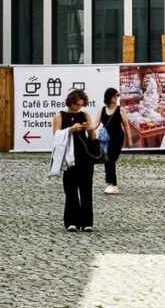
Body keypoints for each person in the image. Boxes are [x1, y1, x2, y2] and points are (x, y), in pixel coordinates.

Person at [47, 90, 99, 232]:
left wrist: (91, 129)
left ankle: (87, 222)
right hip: (69, 158)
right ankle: (71, 222)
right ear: (71, 102)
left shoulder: (85, 115)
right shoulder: (60, 116)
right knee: (70, 190)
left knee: (86, 190)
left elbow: (93, 138)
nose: (79, 108)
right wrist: (70, 130)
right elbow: (56, 137)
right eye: (77, 105)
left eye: (81, 105)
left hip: (85, 157)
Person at [98, 88, 127, 195]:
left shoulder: (120, 110)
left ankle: (111, 184)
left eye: (117, 96)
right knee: (107, 159)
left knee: (110, 159)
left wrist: (129, 140)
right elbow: (96, 123)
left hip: (118, 138)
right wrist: (88, 129)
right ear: (109, 97)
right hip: (106, 139)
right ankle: (112, 184)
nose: (116, 98)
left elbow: (126, 125)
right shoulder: (102, 110)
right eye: (114, 96)